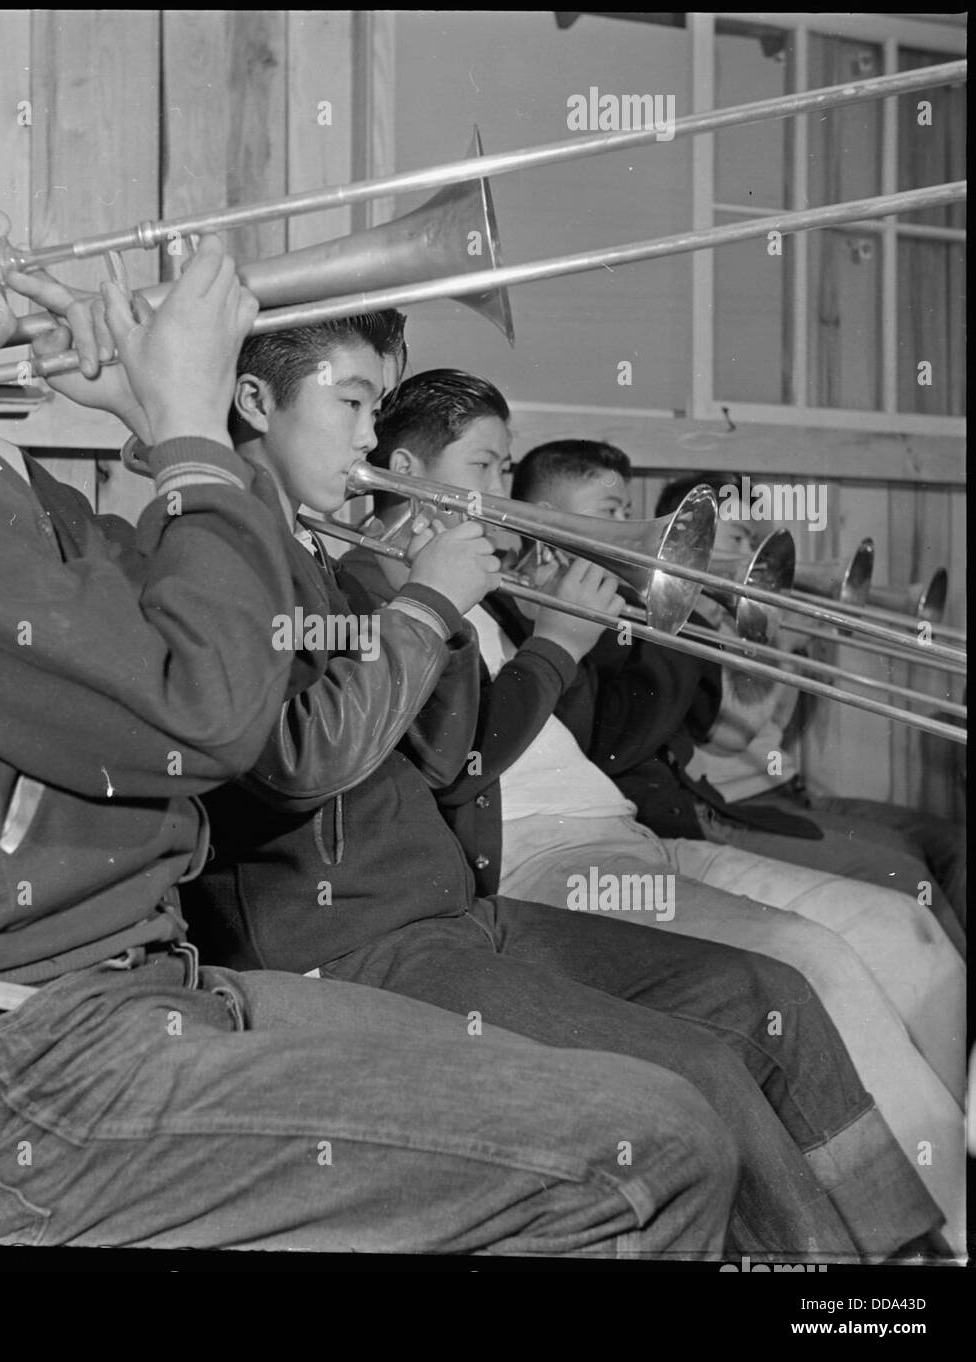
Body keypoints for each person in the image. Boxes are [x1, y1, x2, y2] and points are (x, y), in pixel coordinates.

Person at [0, 56, 745, 1256]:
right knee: (646, 1148)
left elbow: (222, 646)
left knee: (656, 1099)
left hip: (137, 999)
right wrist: (190, 426)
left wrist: (160, 428)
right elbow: (211, 712)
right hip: (33, 1071)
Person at [183, 339, 944, 1258]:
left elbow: (436, 750)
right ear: (258, 404)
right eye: (352, 405)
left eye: (378, 409)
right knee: (697, 1066)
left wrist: (442, 608)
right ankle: (836, 1291)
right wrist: (452, 612)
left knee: (764, 990)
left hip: (458, 909)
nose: (370, 438)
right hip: (348, 938)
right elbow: (320, 759)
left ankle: (904, 1259)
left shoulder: (341, 560)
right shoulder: (244, 556)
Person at [506, 442, 965, 1104]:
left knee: (910, 878)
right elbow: (655, 735)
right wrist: (687, 623)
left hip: (688, 816)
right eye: (613, 510)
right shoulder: (567, 613)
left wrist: (764, 634)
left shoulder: (617, 613)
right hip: (677, 820)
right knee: (893, 878)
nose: (733, 550)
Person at [651, 470, 965, 952]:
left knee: (950, 842)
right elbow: (729, 734)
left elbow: (773, 727)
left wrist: (800, 647)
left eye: (754, 539)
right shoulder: (684, 623)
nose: (755, 555)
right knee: (903, 862)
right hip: (730, 808)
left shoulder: (740, 616)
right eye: (740, 538)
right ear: (692, 539)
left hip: (783, 789)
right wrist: (779, 647)